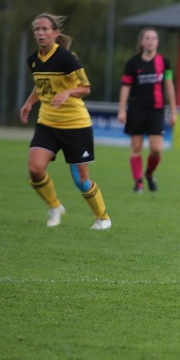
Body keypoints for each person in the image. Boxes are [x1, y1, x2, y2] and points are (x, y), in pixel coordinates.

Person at [20, 13, 111, 230]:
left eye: (45, 29)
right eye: (37, 30)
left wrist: (68, 92)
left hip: (75, 125)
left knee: (81, 180)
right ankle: (55, 206)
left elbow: (85, 88)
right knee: (35, 169)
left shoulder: (67, 58)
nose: (40, 33)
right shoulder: (33, 60)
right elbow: (42, 85)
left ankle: (103, 217)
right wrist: (29, 103)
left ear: (55, 33)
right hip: (48, 123)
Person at [117, 27, 177, 193]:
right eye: (147, 38)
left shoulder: (164, 62)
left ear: (157, 42)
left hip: (156, 109)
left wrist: (173, 111)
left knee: (156, 150)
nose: (150, 41)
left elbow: (169, 86)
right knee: (136, 148)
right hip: (136, 109)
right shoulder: (132, 63)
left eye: (154, 38)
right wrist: (122, 109)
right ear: (142, 41)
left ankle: (149, 174)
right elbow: (125, 87)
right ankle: (138, 183)